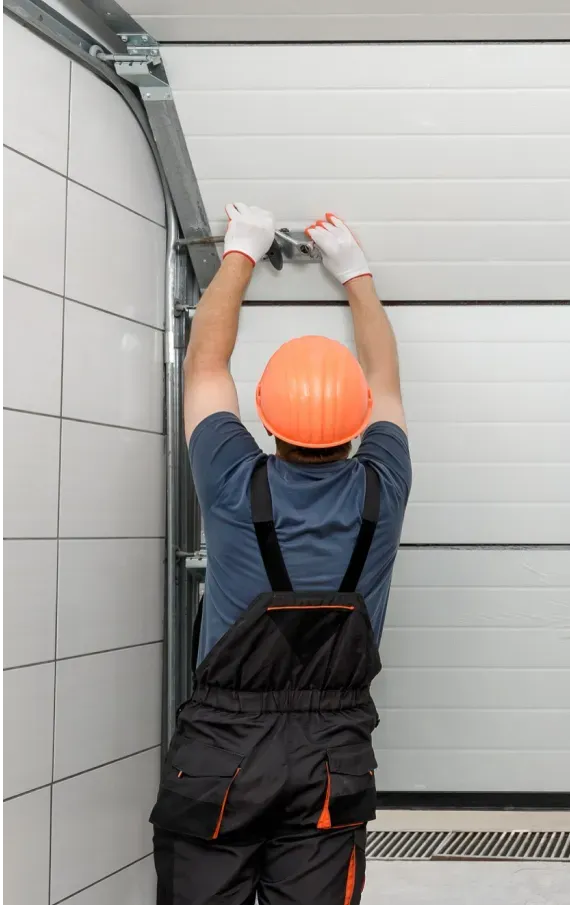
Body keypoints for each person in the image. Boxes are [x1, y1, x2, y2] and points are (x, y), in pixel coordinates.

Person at [151, 203, 412, 905]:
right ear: (357, 422)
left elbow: (206, 360)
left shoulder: (235, 480)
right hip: (333, 754)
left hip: (221, 752)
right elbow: (385, 379)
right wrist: (355, 271)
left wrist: (241, 250)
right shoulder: (382, 490)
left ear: (265, 419)